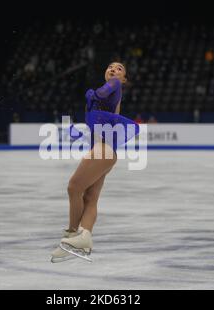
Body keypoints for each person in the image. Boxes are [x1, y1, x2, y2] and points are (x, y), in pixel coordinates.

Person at [51, 62, 139, 262]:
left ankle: (72, 236)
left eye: (119, 69)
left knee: (74, 188)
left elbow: (99, 94)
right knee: (90, 198)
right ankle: (85, 237)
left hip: (104, 149)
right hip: (106, 150)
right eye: (110, 66)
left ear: (124, 79)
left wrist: (92, 94)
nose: (113, 70)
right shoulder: (112, 96)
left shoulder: (113, 85)